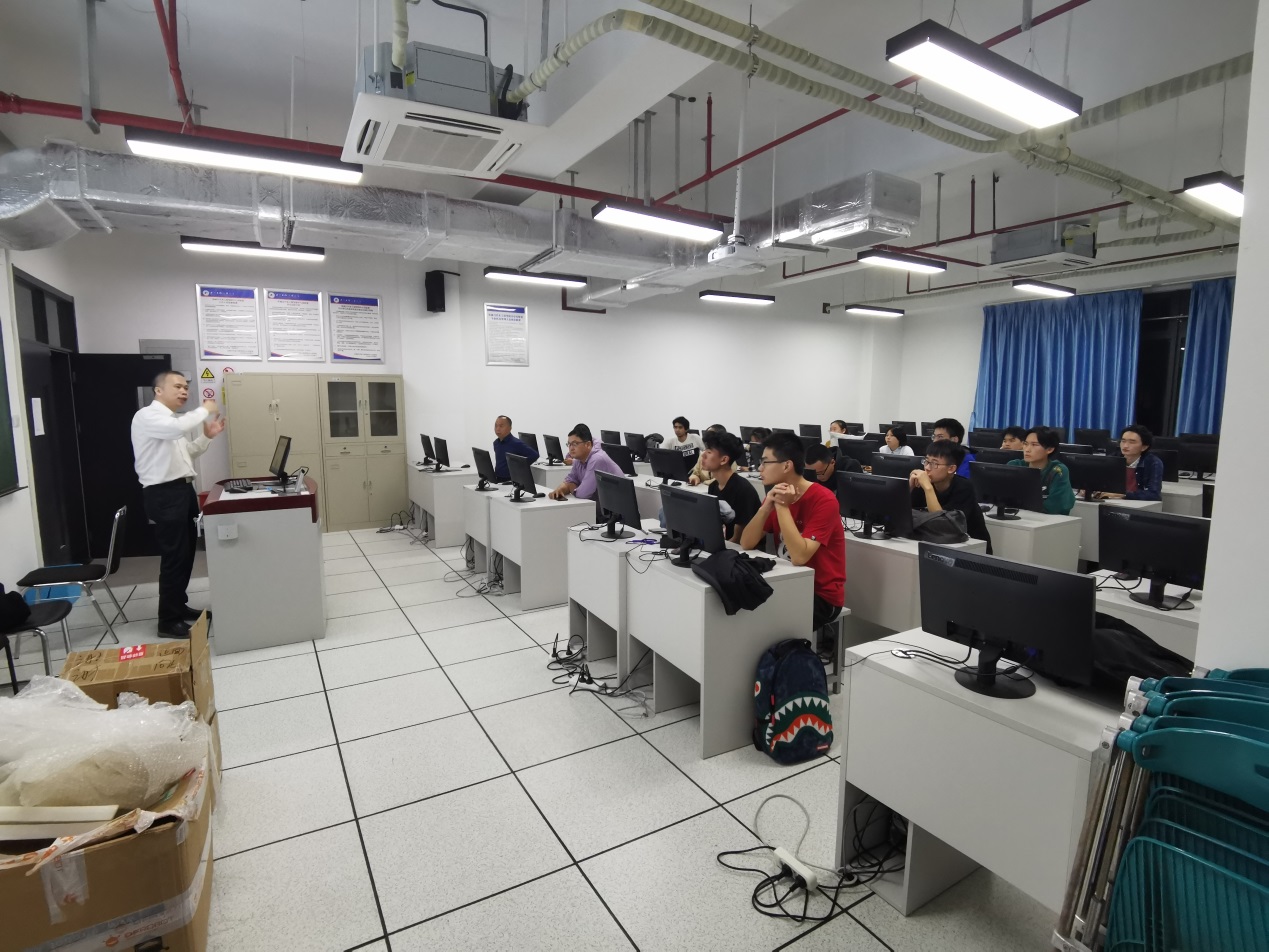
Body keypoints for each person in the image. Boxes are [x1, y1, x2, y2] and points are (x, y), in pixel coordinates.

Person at [131, 371, 225, 639]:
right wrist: (204, 409)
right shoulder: (148, 416)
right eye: (178, 387)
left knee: (185, 555)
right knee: (174, 558)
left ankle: (178, 606)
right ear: (158, 390)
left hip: (182, 491)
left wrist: (207, 436)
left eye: (186, 387)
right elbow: (178, 429)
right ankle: (167, 621)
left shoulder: (169, 422)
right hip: (165, 494)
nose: (184, 391)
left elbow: (188, 453)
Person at [740, 432, 846, 632]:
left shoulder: (824, 500)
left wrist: (782, 506)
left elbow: (799, 557)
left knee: (758, 628)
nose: (760, 468)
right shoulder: (776, 494)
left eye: (765, 462)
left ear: (786, 465)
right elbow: (747, 542)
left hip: (820, 595)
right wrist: (766, 508)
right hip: (788, 581)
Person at [909, 440, 992, 552]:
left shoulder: (964, 487)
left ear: (951, 469)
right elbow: (903, 515)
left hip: (972, 548)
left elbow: (942, 525)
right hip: (934, 542)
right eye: (926, 461)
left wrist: (928, 488)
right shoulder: (923, 483)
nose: (927, 467)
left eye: (934, 463)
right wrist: (909, 488)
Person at [702, 431, 760, 543]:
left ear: (724, 460)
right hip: (727, 544)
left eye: (709, 452)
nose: (703, 455)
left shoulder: (742, 489)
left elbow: (739, 537)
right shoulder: (713, 486)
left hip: (743, 549)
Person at [1007, 426, 1076, 515]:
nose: (1027, 449)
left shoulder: (1057, 470)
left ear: (1050, 449)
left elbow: (1056, 505)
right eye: (1025, 444)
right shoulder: (1015, 465)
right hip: (1020, 517)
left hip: (1048, 520)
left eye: (1034, 445)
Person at [549, 424, 623, 500]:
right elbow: (570, 480)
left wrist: (571, 487)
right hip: (602, 502)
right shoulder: (578, 459)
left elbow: (583, 494)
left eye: (575, 444)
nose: (571, 448)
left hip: (616, 504)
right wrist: (560, 489)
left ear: (588, 444)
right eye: (569, 444)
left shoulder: (597, 459)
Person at [1094, 425, 1164, 501]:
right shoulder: (1113, 459)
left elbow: (1154, 494)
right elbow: (1098, 482)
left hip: (1137, 504)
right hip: (1111, 501)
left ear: (1144, 447)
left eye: (1132, 442)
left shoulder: (1153, 463)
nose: (1125, 446)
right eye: (1123, 441)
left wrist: (1122, 494)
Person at [492, 415, 539, 481]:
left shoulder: (516, 443)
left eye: (501, 426)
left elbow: (534, 455)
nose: (497, 429)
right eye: (496, 426)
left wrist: (519, 466)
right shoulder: (496, 443)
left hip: (510, 480)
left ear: (510, 428)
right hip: (498, 479)